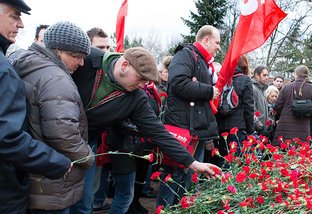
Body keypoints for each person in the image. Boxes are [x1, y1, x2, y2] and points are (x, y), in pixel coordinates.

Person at [71, 46, 219, 214]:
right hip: (54, 135)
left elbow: (158, 132)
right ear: (125, 65)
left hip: (87, 141)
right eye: (141, 78)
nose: (143, 85)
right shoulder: (89, 60)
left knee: (82, 201)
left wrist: (193, 163)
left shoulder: (136, 97)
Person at [11, 21, 94, 214]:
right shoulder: (56, 79)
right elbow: (62, 133)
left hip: (30, 175)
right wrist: (88, 157)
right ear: (59, 52)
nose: (81, 63)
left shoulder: (29, 65)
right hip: (50, 182)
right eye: (77, 56)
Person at [0, 1, 72, 213]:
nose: (21, 24)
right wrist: (56, 162)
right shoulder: (3, 70)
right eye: (14, 16)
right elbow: (6, 137)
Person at [157, 25, 221, 207]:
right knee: (174, 178)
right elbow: (177, 83)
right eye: (216, 43)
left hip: (196, 130)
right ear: (206, 40)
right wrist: (210, 91)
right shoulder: (185, 55)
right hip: (184, 129)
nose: (218, 47)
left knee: (188, 180)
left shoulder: (202, 61)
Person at [86, 27, 113, 213]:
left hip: (98, 140)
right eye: (99, 47)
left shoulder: (112, 75)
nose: (104, 53)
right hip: (75, 141)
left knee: (91, 190)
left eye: (108, 47)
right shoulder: (77, 73)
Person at [215, 54, 255, 166]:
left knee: (222, 159)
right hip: (238, 127)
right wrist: (251, 130)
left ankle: (218, 182)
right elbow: (249, 108)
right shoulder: (245, 79)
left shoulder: (222, 78)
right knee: (234, 162)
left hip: (221, 127)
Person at [273, 65, 312, 146]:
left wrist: (281, 116)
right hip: (303, 126)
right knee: (299, 153)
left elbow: (277, 105)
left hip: (285, 127)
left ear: (296, 74)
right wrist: (308, 115)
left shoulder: (287, 87)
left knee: (283, 153)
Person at [251, 66, 270, 135]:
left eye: (267, 75)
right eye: (264, 75)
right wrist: (259, 127)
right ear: (256, 75)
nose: (266, 78)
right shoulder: (253, 88)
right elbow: (252, 109)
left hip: (263, 127)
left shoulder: (262, 89)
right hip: (257, 130)